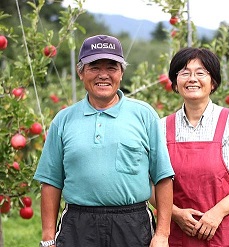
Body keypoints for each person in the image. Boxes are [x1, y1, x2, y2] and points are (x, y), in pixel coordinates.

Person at [34, 34, 175, 247]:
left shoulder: (144, 115)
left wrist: (162, 234)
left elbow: (163, 177)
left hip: (132, 223)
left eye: (111, 67)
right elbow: (51, 182)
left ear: (121, 73)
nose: (103, 75)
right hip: (78, 224)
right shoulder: (63, 120)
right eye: (94, 67)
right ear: (80, 72)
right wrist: (47, 238)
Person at [160, 47, 229, 246]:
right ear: (175, 82)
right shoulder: (161, 127)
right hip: (182, 237)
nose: (192, 79)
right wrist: (175, 213)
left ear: (213, 82)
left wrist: (218, 212)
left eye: (200, 73)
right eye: (184, 73)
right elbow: (150, 183)